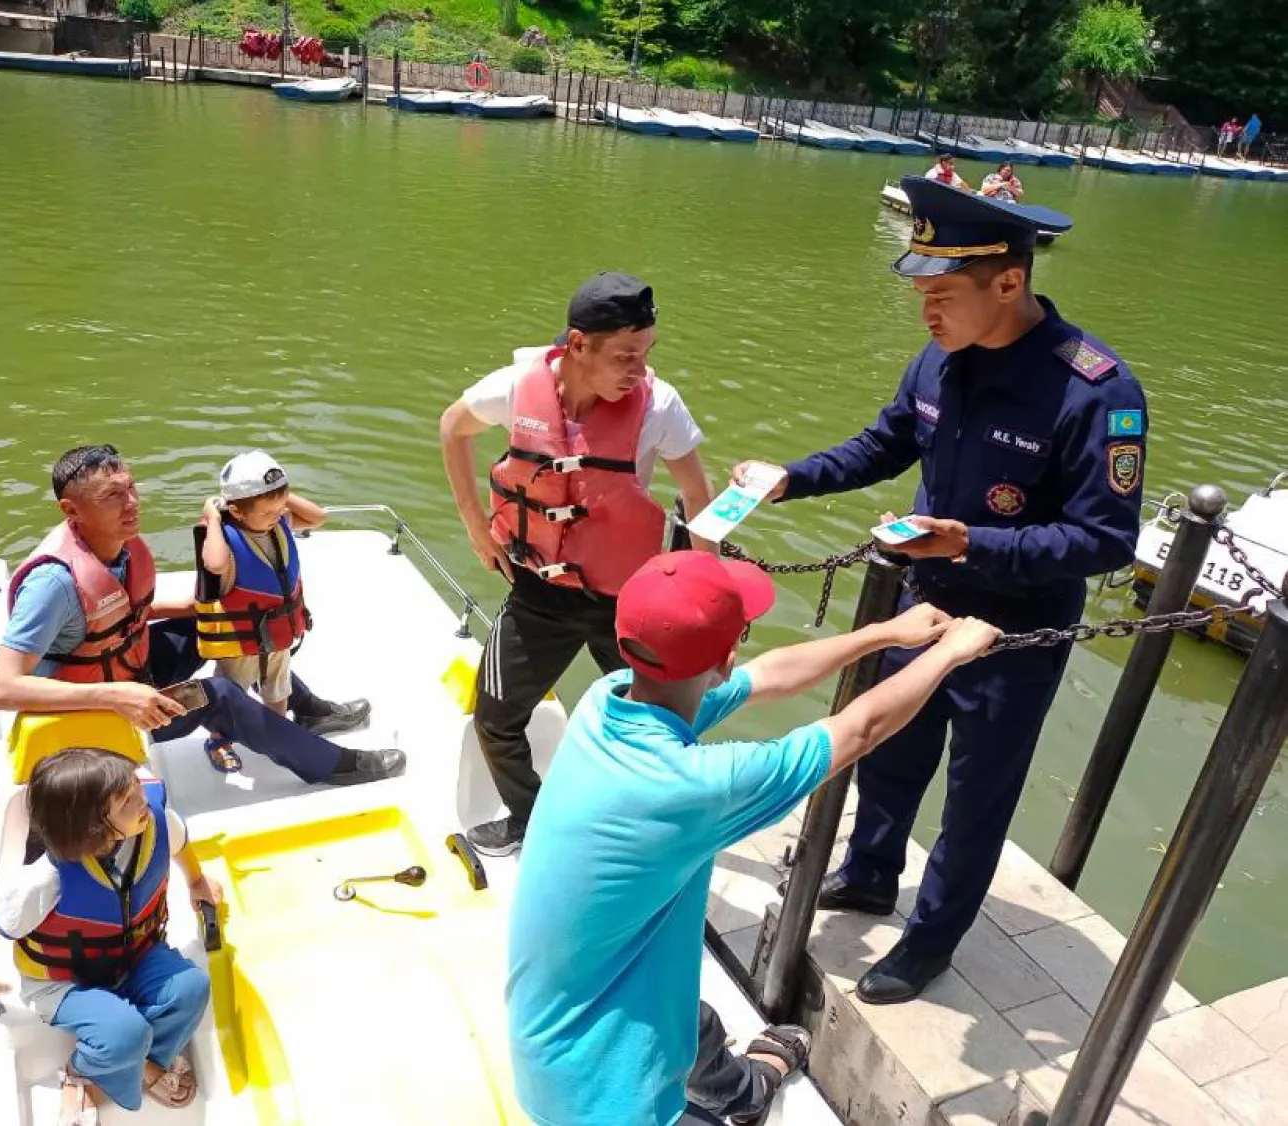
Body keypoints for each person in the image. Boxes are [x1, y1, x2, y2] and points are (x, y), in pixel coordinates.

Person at [732, 175, 1148, 1004]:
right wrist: (791, 477)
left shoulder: (1096, 392)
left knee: (976, 795)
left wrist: (973, 542)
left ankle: (932, 940)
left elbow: (1106, 540)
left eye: (943, 291)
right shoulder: (941, 354)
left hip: (1013, 635)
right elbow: (887, 442)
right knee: (891, 751)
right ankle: (871, 872)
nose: (926, 308)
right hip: (922, 606)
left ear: (1009, 282)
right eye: (919, 286)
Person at [506, 550, 999, 1126]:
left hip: (546, 1033)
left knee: (686, 1016)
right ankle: (743, 1095)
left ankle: (746, 1087)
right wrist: (950, 654)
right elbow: (860, 730)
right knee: (676, 1032)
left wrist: (883, 634)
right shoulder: (695, 788)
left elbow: (767, 677)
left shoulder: (607, 699)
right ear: (724, 657)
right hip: (608, 1099)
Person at [438, 272, 715, 857]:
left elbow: (698, 495)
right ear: (577, 344)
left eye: (647, 353)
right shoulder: (518, 386)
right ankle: (532, 820)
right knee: (494, 719)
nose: (639, 369)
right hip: (540, 592)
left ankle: (647, 832)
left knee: (661, 730)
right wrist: (474, 528)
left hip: (630, 600)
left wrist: (707, 605)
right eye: (625, 356)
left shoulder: (658, 405)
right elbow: (452, 427)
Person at [0, 444, 404, 787]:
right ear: (71, 510)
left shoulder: (115, 545)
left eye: (130, 488)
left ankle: (308, 707)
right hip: (97, 714)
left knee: (224, 624)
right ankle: (334, 765)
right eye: (112, 497)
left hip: (128, 675)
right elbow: (1, 688)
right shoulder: (52, 584)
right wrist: (116, 696)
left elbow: (114, 615)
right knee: (218, 697)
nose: (131, 503)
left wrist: (198, 610)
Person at [0, 748, 218, 1125]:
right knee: (124, 1034)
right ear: (94, 828)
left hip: (135, 957)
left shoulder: (154, 822)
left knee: (191, 988)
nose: (142, 800)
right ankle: (83, 1075)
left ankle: (146, 1063)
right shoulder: (45, 880)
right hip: (64, 983)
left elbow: (179, 845)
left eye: (135, 788)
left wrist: (196, 881)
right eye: (127, 800)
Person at [194, 449, 335, 772]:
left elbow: (318, 517)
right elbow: (214, 564)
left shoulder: (279, 522)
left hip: (278, 635)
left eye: (280, 508)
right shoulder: (225, 540)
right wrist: (214, 518)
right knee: (232, 695)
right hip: (239, 645)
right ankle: (219, 739)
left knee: (277, 689)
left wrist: (278, 494)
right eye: (267, 511)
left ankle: (277, 732)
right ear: (237, 512)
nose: (277, 515)